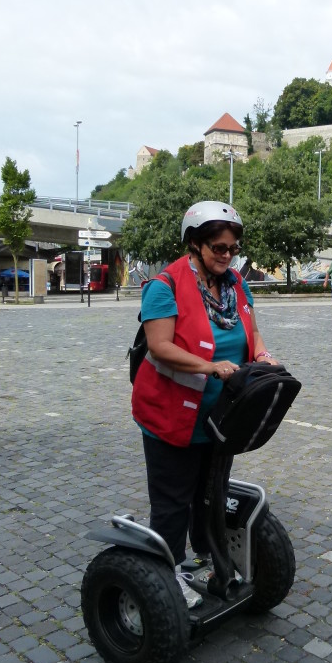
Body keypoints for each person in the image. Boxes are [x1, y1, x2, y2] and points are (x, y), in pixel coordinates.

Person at [131, 200, 279, 608]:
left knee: (208, 492)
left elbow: (252, 331)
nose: (228, 256)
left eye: (232, 248)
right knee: (172, 501)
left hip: (220, 417)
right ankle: (168, 572)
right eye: (219, 247)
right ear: (194, 244)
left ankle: (205, 554)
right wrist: (209, 366)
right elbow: (160, 348)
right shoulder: (165, 286)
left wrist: (264, 357)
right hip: (169, 417)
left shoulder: (235, 284)